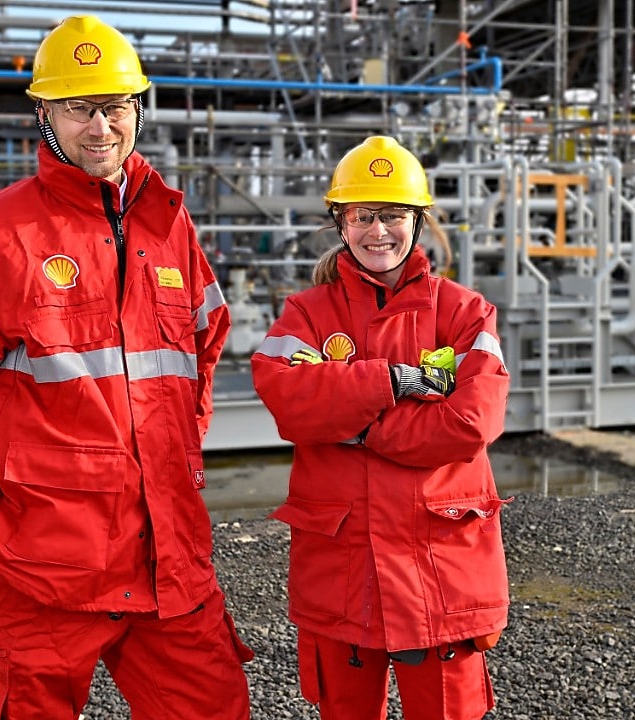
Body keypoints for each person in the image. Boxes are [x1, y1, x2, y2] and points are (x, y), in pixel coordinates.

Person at [0, 15, 252, 720]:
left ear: (137, 108)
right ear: (44, 113)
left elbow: (200, 351)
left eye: (114, 107)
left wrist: (174, 455)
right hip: (44, 566)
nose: (101, 128)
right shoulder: (1, 231)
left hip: (170, 560)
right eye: (81, 109)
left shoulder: (171, 223)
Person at [250, 135, 512, 720]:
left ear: (417, 221)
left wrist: (356, 425)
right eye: (362, 215)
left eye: (392, 215)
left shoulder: (466, 313)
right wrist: (392, 384)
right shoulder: (305, 315)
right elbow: (290, 404)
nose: (378, 232)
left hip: (443, 574)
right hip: (346, 573)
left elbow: (472, 422)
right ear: (340, 222)